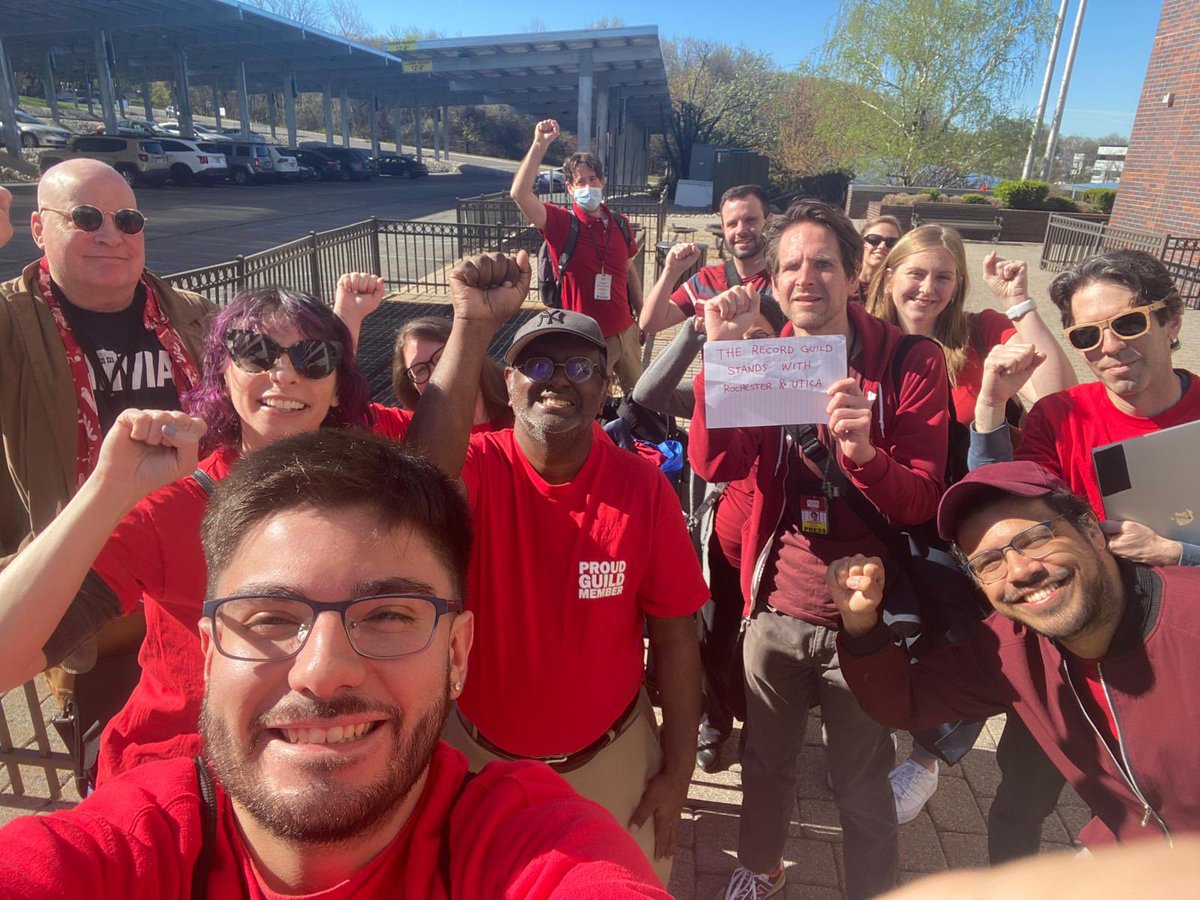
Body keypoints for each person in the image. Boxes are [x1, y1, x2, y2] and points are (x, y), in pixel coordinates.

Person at [0, 428, 670, 898]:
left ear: (458, 653)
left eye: (387, 616)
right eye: (269, 619)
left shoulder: (527, 847)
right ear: (207, 652)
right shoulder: (129, 853)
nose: (322, 672)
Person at [0, 286, 395, 786]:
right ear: (222, 373)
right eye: (255, 351)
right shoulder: (172, 504)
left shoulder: (365, 472)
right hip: (189, 776)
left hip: (315, 762)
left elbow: (477, 444)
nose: (284, 373)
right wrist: (107, 489)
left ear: (338, 385)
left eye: (314, 358)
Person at [405, 251, 706, 884]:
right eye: (535, 364)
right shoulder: (477, 469)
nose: (557, 380)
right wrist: (470, 323)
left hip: (611, 760)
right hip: (478, 759)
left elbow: (678, 638)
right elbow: (418, 482)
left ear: (603, 388)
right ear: (507, 384)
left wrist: (677, 773)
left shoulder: (644, 488)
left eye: (579, 367)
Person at [688, 200, 951, 900]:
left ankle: (871, 887)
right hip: (776, 598)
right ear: (772, 282)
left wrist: (864, 453)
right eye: (793, 266)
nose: (808, 278)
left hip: (870, 615)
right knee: (768, 760)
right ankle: (760, 866)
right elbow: (716, 464)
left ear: (856, 274)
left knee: (860, 771)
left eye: (825, 263)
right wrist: (720, 361)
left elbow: (924, 498)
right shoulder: (765, 355)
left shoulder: (908, 361)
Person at [831, 459, 1200, 852]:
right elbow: (905, 702)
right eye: (989, 563)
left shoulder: (1188, 619)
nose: (1019, 570)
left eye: (1036, 539)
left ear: (1091, 530)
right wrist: (861, 625)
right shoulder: (1010, 646)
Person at [966, 247, 1200, 862]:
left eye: (1128, 323)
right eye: (1087, 334)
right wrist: (991, 407)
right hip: (1075, 646)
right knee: (1023, 795)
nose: (1109, 346)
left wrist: (1178, 550)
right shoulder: (1060, 416)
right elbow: (1003, 508)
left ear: (1172, 321)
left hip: (1186, 649)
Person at [864, 224, 1076, 821]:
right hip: (875, 497)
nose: (928, 288)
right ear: (889, 274)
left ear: (957, 286)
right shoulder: (863, 335)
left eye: (942, 277)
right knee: (881, 622)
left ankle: (927, 757)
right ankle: (869, 727)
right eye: (916, 273)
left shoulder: (977, 333)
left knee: (967, 628)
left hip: (956, 508)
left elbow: (1057, 392)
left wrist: (1019, 302)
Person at [630, 299, 787, 773]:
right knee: (715, 643)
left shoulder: (801, 389)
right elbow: (646, 394)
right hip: (726, 549)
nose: (746, 349)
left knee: (769, 652)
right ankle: (714, 723)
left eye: (758, 339)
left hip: (782, 556)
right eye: (739, 340)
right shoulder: (720, 384)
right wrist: (700, 336)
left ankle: (765, 728)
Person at [510, 119, 644, 391]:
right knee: (590, 406)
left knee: (639, 398)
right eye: (580, 182)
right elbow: (520, 194)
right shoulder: (560, 224)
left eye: (592, 179)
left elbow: (628, 271)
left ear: (602, 182)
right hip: (584, 339)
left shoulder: (620, 223)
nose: (588, 186)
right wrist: (540, 144)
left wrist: (643, 316)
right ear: (569, 188)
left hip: (626, 331)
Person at [638, 184, 772, 335]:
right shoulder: (705, 281)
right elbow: (650, 324)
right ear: (723, 228)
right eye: (732, 224)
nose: (740, 230)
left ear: (768, 222)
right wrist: (670, 272)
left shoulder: (784, 282)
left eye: (751, 220)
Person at [390, 315, 513, 432]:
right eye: (420, 370)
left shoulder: (522, 410)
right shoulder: (412, 428)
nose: (436, 375)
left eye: (442, 357)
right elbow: (371, 420)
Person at [851, 215, 902, 302]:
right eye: (874, 239)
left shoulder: (897, 290)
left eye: (891, 242)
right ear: (862, 242)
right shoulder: (843, 279)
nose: (882, 246)